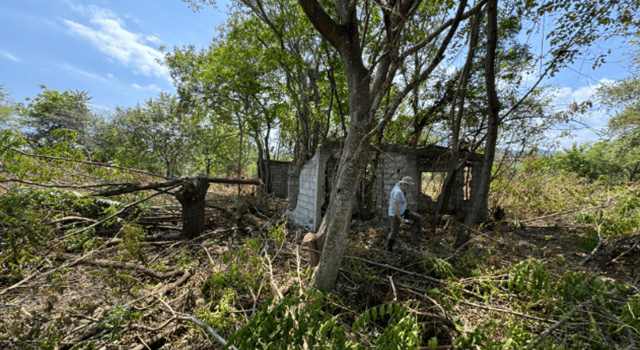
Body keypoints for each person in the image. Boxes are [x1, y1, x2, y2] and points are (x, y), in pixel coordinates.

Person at [386, 176, 423, 251]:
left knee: (418, 218)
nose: (408, 188)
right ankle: (389, 248)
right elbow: (395, 207)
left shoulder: (398, 186)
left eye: (409, 186)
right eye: (407, 186)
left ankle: (415, 241)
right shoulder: (398, 192)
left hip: (403, 211)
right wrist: (401, 219)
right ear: (403, 184)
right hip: (395, 214)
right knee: (394, 232)